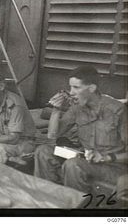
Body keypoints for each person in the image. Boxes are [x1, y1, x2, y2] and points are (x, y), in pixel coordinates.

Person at [34, 65, 128, 193]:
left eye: (76, 87)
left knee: (73, 165)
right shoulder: (77, 108)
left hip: (113, 166)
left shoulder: (117, 110)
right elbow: (52, 136)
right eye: (70, 87)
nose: (71, 92)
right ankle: (47, 201)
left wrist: (106, 157)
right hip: (87, 160)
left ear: (91, 88)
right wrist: (56, 110)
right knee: (43, 151)